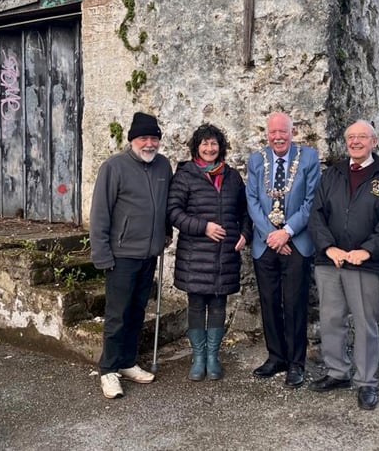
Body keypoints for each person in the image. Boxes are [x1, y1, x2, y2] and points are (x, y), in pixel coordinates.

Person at [308, 119, 379, 410]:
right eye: (351, 137)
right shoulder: (332, 174)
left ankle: (366, 382)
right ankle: (337, 372)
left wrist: (366, 251)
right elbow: (316, 214)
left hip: (365, 264)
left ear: (374, 141)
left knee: (365, 324)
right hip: (330, 261)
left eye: (362, 137)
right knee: (331, 319)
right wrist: (329, 247)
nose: (356, 142)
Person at [90, 112, 173, 399]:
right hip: (121, 255)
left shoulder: (163, 165)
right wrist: (102, 255)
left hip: (149, 253)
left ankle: (126, 362)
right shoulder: (114, 167)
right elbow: (100, 213)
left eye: (154, 138)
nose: (149, 144)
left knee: (137, 312)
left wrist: (166, 234)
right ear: (132, 140)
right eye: (143, 138)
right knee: (117, 315)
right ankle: (108, 370)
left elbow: (165, 205)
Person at [167, 124, 252, 382]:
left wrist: (245, 234)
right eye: (204, 144)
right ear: (197, 147)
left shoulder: (232, 176)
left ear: (220, 147)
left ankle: (213, 357)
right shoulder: (185, 175)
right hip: (195, 253)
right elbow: (173, 212)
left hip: (224, 253)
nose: (209, 148)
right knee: (196, 304)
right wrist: (203, 227)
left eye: (214, 144)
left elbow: (245, 211)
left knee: (218, 305)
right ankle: (198, 357)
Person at [246, 111, 321, 388]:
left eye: (283, 132)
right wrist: (271, 236)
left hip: (296, 242)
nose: (278, 137)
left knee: (295, 304)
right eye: (272, 132)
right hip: (265, 244)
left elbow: (311, 201)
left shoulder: (309, 158)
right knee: (269, 302)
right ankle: (275, 356)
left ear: (293, 132)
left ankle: (296, 363)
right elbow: (252, 200)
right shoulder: (256, 160)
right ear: (267, 134)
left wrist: (286, 233)